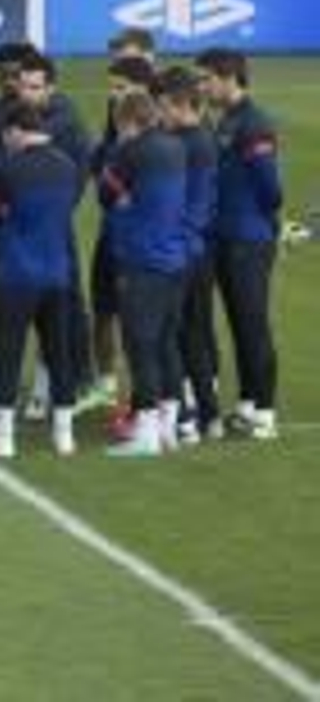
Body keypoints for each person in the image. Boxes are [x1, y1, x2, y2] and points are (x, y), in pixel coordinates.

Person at [0, 104, 83, 459]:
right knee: (59, 353)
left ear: (14, 131)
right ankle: (64, 436)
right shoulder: (67, 166)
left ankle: (4, 438)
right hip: (57, 273)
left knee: (7, 353)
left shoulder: (9, 169)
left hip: (16, 274)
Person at [198, 48, 282, 440]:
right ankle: (248, 403)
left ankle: (265, 412)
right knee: (238, 324)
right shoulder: (229, 119)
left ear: (229, 78)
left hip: (248, 241)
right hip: (228, 236)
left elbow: (271, 188)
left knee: (252, 325)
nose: (202, 87)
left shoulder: (253, 123)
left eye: (206, 79)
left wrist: (261, 221)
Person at [100, 91, 190, 458]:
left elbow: (106, 194)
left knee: (141, 344)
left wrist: (125, 198)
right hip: (174, 257)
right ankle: (169, 429)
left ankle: (147, 434)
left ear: (126, 121)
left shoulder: (130, 151)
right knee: (167, 342)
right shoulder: (176, 146)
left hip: (142, 260)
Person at [156, 66, 219, 444]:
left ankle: (184, 419)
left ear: (181, 105)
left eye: (164, 107)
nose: (160, 115)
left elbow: (186, 202)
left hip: (182, 250)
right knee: (193, 334)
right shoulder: (200, 139)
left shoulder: (186, 145)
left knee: (172, 335)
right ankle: (207, 414)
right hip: (196, 249)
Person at [90, 56, 157, 410]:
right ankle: (106, 385)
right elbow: (100, 167)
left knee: (138, 322)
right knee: (102, 309)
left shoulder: (155, 139)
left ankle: (145, 397)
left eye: (120, 87)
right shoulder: (114, 123)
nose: (113, 94)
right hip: (111, 233)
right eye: (111, 88)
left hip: (139, 244)